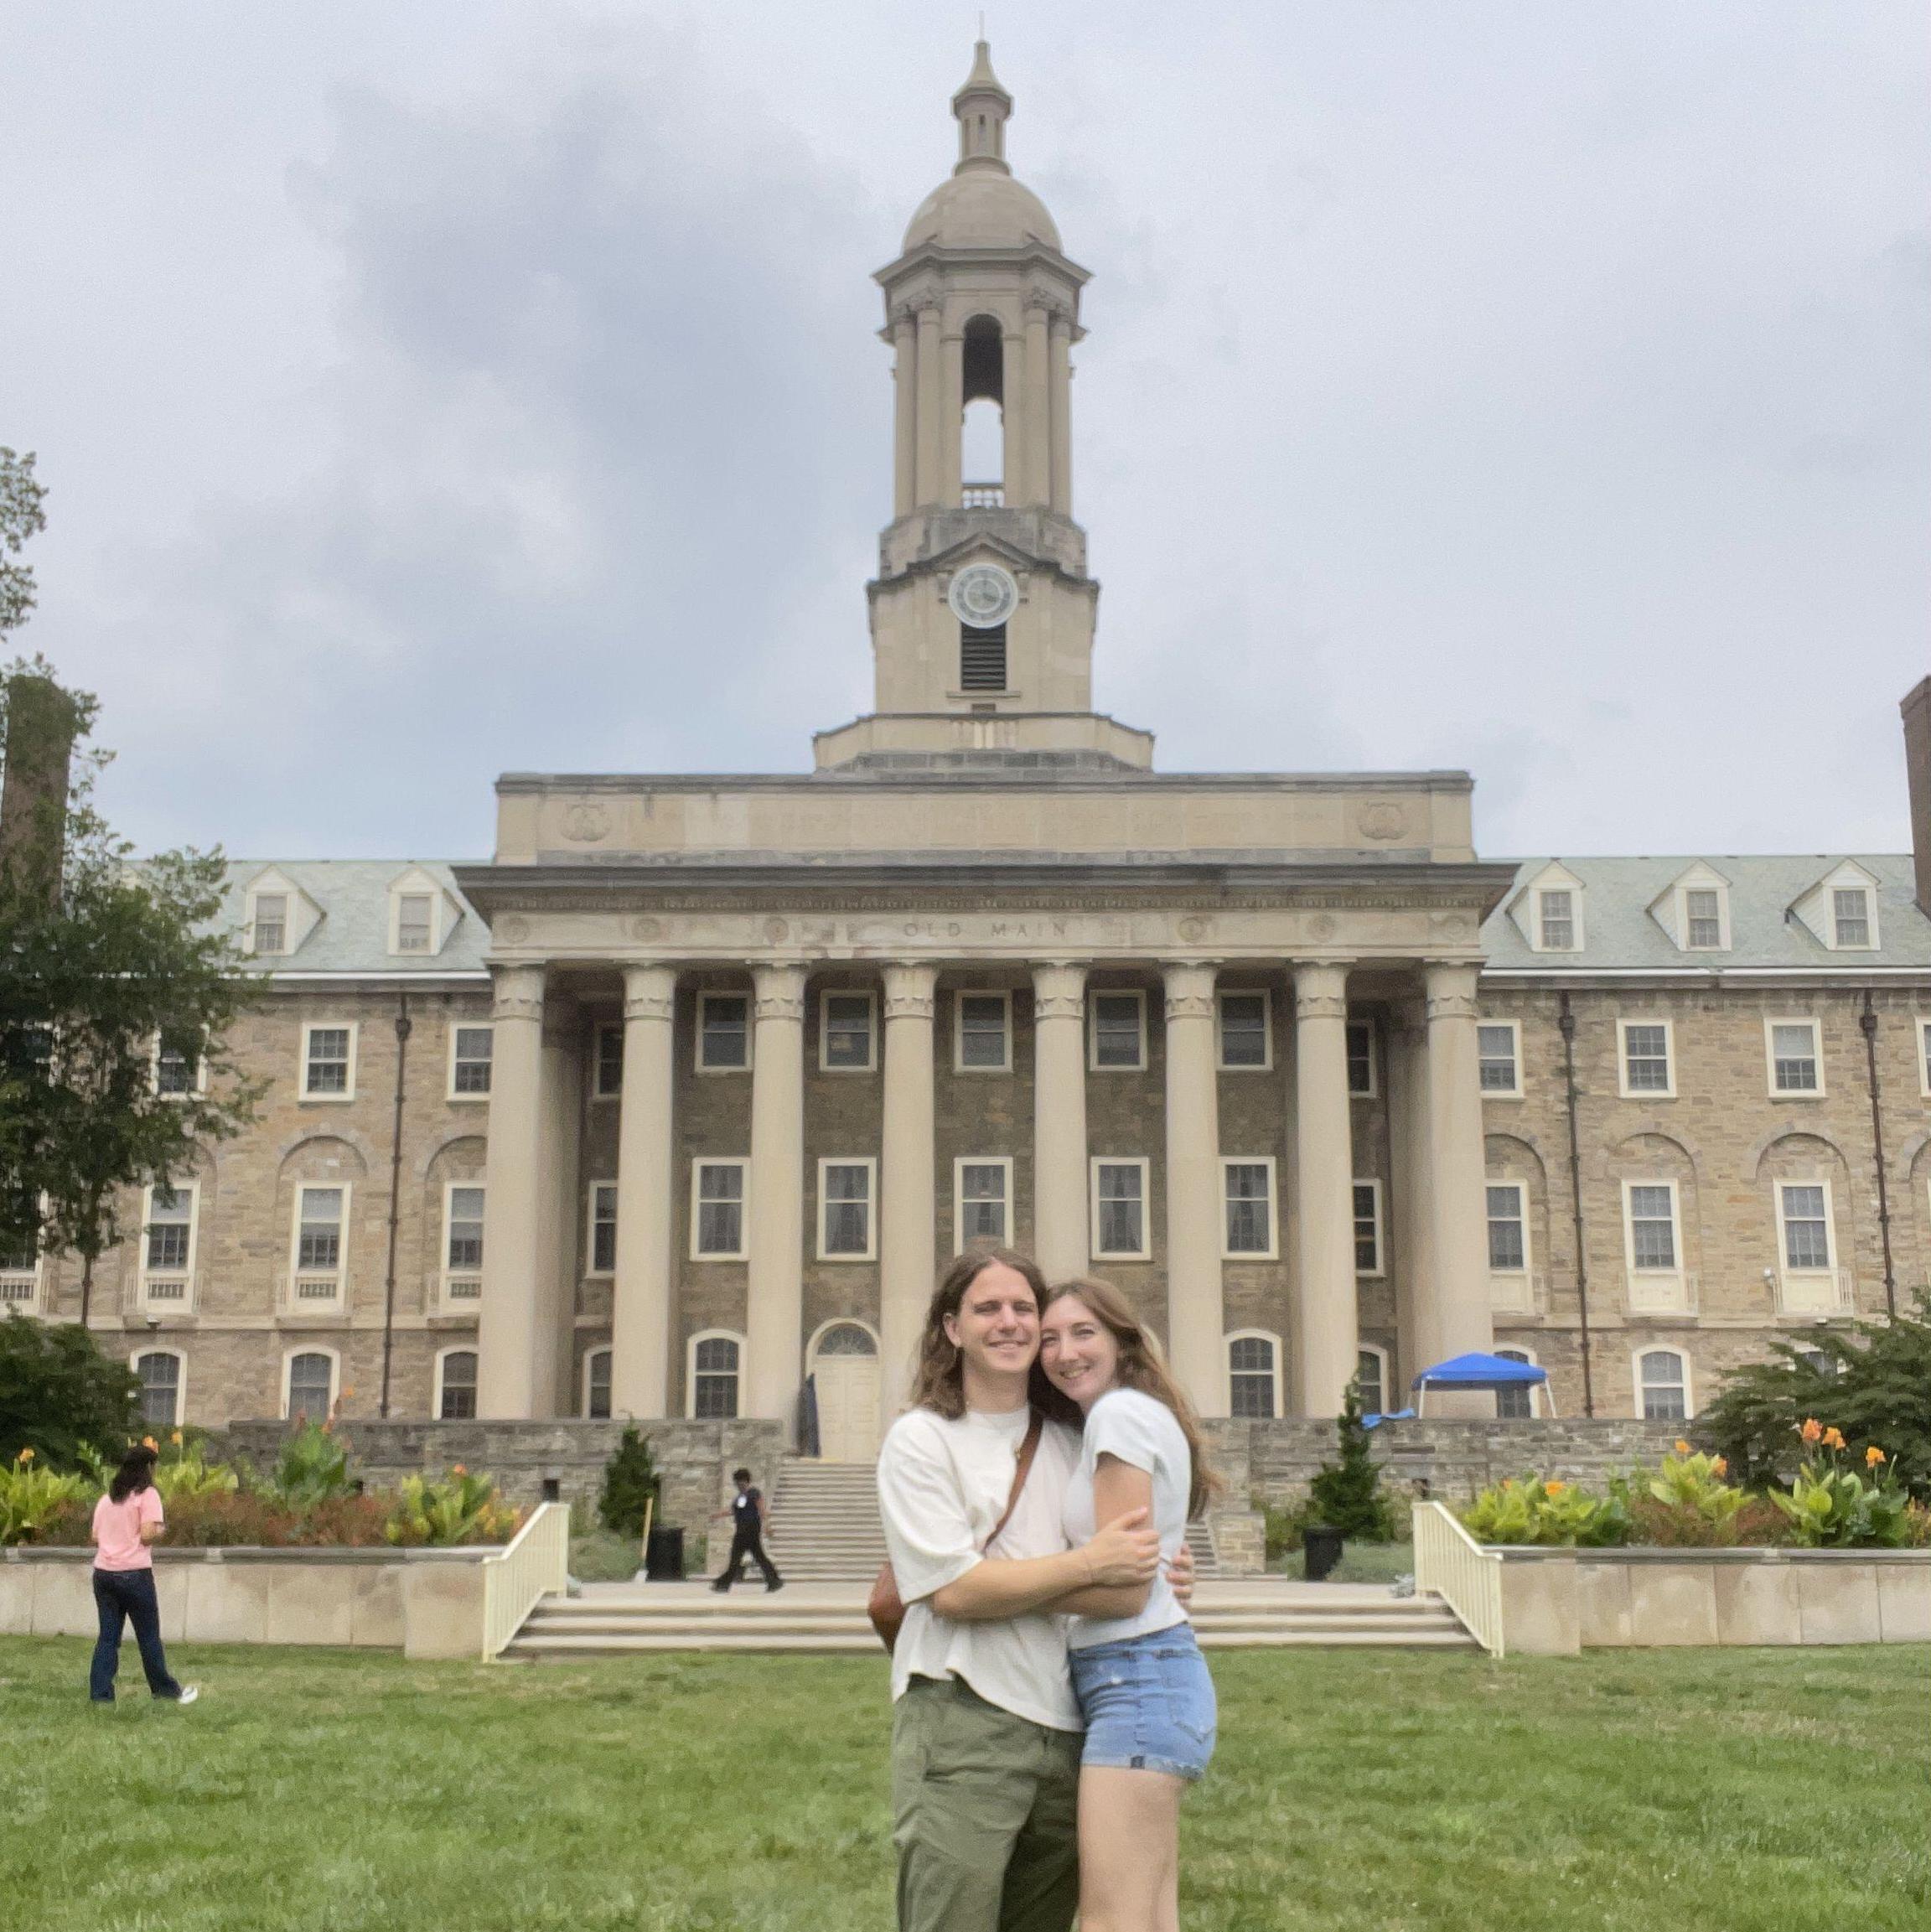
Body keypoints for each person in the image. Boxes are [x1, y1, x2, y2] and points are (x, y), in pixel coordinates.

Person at [877, 1248, 1179, 1932]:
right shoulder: (922, 1439)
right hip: (962, 1721)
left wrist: (1150, 1575)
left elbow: (1129, 1585)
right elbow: (952, 1591)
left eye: (1023, 1308)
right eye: (988, 1308)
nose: (1009, 1322)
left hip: (1075, 1726)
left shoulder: (1077, 1438)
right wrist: (1087, 1566)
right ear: (952, 1328)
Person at [1039, 1277, 1219, 1932]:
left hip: (1137, 1682)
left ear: (1120, 1339)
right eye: (1050, 1339)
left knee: (1110, 1921)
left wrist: (998, 1589)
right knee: (1149, 1919)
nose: (1065, 1352)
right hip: (1149, 1679)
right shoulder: (1131, 1412)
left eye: (1083, 1332)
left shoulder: (1117, 1416)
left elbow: (1123, 1586)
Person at [89, 1443, 198, 1707]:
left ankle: (101, 1693)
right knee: (148, 1636)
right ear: (149, 1468)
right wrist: (161, 1530)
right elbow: (148, 1533)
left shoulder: (107, 1500)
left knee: (108, 1637)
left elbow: (95, 1536)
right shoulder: (147, 1495)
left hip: (104, 1573)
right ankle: (164, 1689)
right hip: (134, 1574)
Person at [710, 1466, 784, 1593]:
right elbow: (733, 1511)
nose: (738, 1485)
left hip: (750, 1529)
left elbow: (762, 1510)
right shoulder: (742, 1496)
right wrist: (717, 1515)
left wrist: (767, 1526)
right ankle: (774, 1580)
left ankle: (723, 1583)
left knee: (740, 1557)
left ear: (745, 1481)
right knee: (756, 1557)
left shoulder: (754, 1493)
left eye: (739, 1482)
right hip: (742, 1529)